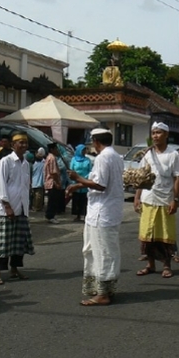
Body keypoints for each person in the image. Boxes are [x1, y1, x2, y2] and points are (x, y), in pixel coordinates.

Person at [65, 128, 124, 306]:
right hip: (104, 211)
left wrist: (77, 178)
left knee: (102, 252)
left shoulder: (103, 157)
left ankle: (103, 293)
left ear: (96, 141)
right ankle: (102, 289)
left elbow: (100, 185)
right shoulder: (116, 156)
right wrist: (78, 184)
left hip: (102, 212)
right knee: (96, 250)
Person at [134, 122, 179, 279]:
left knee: (164, 235)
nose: (155, 135)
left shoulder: (173, 154)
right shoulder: (147, 154)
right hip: (148, 198)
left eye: (159, 132)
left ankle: (167, 265)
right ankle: (150, 264)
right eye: (153, 133)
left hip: (165, 200)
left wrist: (175, 199)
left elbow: (178, 178)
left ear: (166, 135)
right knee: (148, 234)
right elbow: (141, 177)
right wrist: (137, 197)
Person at [0, 132, 35, 285]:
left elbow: (25, 185)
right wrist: (7, 205)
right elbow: (1, 184)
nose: (23, 145)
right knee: (4, 242)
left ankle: (15, 269)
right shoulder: (6, 161)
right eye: (20, 142)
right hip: (7, 208)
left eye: (25, 143)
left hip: (22, 207)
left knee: (19, 241)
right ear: (12, 145)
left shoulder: (26, 163)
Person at [69, 144, 93, 222]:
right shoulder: (73, 160)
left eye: (85, 150)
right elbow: (71, 170)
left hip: (85, 183)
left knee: (84, 200)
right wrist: (74, 179)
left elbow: (90, 171)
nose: (84, 152)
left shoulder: (87, 160)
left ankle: (84, 215)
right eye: (83, 150)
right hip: (75, 182)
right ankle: (77, 215)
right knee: (76, 200)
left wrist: (84, 179)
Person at [43, 142, 62, 224]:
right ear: (52, 149)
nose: (57, 150)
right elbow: (53, 172)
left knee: (52, 200)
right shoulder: (52, 158)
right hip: (52, 182)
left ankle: (50, 215)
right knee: (53, 200)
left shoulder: (48, 157)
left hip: (49, 181)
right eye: (56, 148)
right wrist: (57, 182)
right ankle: (51, 216)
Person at [30, 147, 46, 212]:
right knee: (36, 195)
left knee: (38, 196)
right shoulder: (33, 163)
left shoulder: (43, 162)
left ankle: (37, 207)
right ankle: (36, 206)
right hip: (35, 181)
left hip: (38, 182)